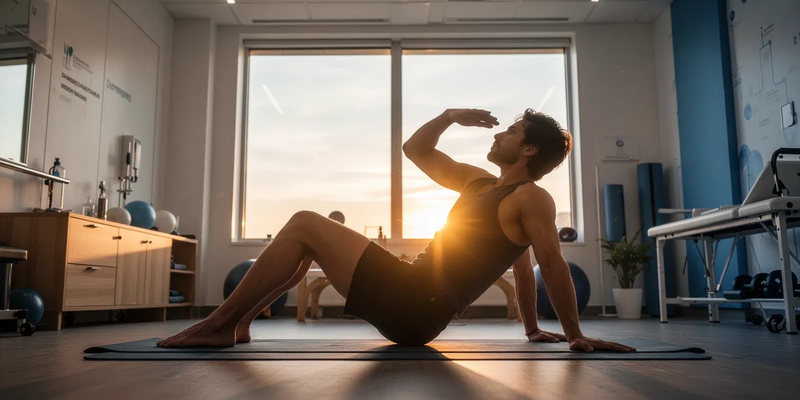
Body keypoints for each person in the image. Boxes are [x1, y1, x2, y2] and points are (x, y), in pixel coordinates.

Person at [158, 108, 635, 353]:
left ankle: (220, 324)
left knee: (305, 222)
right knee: (306, 235)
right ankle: (237, 324)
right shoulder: (479, 183)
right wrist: (449, 116)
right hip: (412, 299)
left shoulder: (531, 198)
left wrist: (574, 333)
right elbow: (416, 149)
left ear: (529, 150)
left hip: (416, 303)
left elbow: (549, 264)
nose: (496, 135)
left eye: (510, 131)